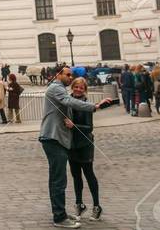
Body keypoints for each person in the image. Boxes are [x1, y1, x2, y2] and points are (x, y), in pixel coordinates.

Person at [39, 66, 111, 228]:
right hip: (53, 138)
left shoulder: (60, 89)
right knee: (59, 180)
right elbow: (69, 102)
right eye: (67, 74)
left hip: (60, 140)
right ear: (58, 75)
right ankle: (59, 218)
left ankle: (61, 213)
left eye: (71, 75)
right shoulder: (55, 88)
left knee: (58, 179)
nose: (70, 77)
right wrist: (95, 107)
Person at [67, 78, 102, 221]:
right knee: (76, 176)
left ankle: (97, 206)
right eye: (76, 87)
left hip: (85, 144)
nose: (78, 89)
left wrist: (73, 125)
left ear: (84, 90)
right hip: (71, 145)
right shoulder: (67, 101)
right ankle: (79, 204)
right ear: (72, 87)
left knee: (89, 174)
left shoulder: (87, 105)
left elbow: (89, 127)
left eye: (81, 88)